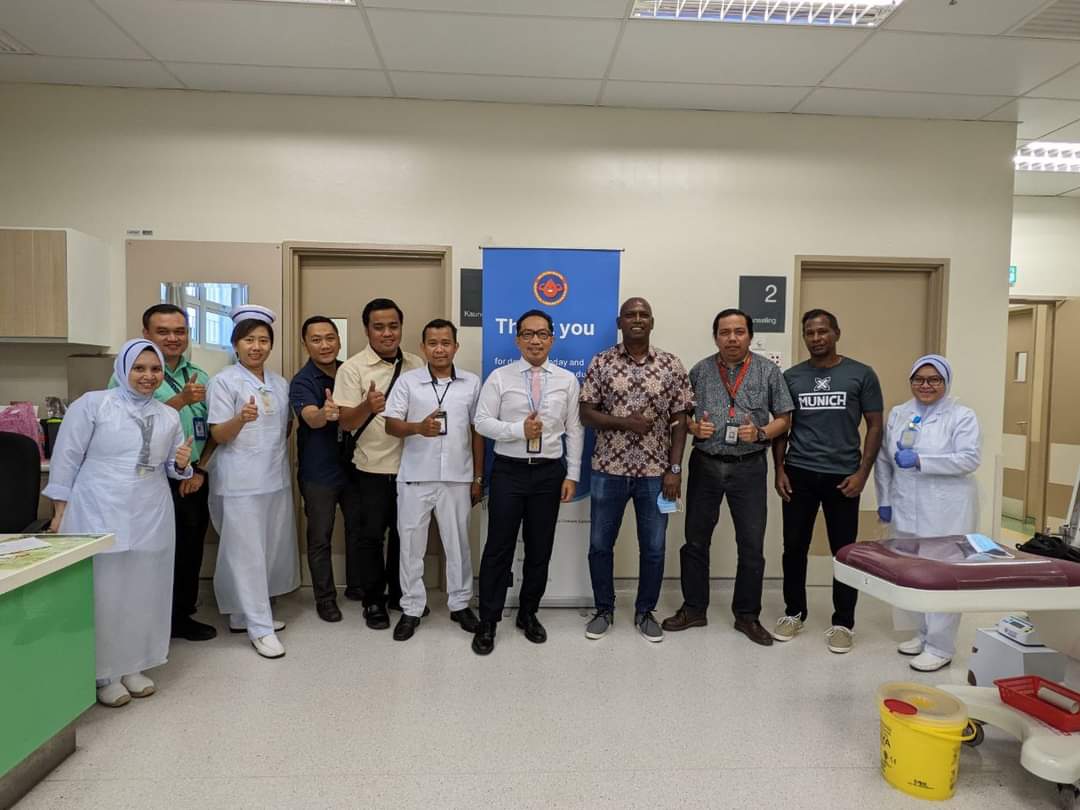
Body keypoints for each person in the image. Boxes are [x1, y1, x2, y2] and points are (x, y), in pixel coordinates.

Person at [45, 339, 194, 707]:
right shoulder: (94, 404)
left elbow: (173, 468)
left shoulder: (168, 415)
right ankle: (104, 672)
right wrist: (60, 511)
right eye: (139, 368)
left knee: (145, 587)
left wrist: (181, 464)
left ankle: (134, 664)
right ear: (124, 369)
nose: (148, 376)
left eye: (155, 369)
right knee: (105, 590)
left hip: (151, 508)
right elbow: (66, 458)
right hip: (99, 503)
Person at [663, 308, 793, 646]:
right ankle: (694, 608)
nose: (732, 338)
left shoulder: (767, 371)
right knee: (695, 541)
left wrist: (761, 433)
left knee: (751, 545)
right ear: (715, 337)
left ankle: (747, 615)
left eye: (739, 332)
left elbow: (785, 418)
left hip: (749, 467)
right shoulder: (699, 371)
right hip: (706, 464)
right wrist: (694, 427)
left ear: (749, 335)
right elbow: (681, 416)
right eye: (724, 332)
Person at [471, 309, 584, 655]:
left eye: (542, 334)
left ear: (552, 338)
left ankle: (528, 613)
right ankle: (488, 620)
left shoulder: (567, 380)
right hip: (509, 471)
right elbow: (481, 422)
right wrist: (517, 430)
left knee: (539, 548)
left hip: (549, 473)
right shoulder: (500, 377)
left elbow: (574, 429)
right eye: (528, 334)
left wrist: (572, 474)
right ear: (517, 339)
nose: (535, 340)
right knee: (498, 548)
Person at [581, 297, 693, 643]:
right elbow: (586, 413)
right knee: (600, 545)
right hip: (608, 470)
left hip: (656, 474)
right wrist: (624, 423)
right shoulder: (602, 362)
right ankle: (604, 609)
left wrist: (675, 468)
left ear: (652, 322)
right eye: (630, 314)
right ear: (620, 322)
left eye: (644, 314)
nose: (638, 319)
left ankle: (645, 611)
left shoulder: (671, 364)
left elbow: (681, 420)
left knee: (654, 548)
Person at [771, 309, 883, 654]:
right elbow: (782, 426)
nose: (816, 338)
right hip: (799, 473)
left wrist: (862, 473)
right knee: (794, 547)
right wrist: (779, 469)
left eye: (822, 331)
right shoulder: (792, 377)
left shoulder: (861, 374)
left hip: (843, 477)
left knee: (844, 552)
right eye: (810, 333)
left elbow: (875, 426)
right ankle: (794, 613)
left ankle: (843, 623)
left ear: (836, 333)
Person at [108, 304, 218, 642]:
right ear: (146, 334)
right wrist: (181, 400)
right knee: (148, 550)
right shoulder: (129, 374)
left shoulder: (199, 375)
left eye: (179, 331)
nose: (173, 338)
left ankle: (181, 617)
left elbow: (212, 431)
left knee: (189, 549)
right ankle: (145, 619)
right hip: (148, 479)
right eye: (163, 331)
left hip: (192, 476)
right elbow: (128, 424)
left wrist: (199, 469)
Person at [876, 354, 981, 672]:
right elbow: (884, 459)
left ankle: (941, 646)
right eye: (919, 379)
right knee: (913, 572)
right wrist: (884, 499)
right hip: (905, 505)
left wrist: (922, 461)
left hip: (945, 509)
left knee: (943, 575)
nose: (926, 385)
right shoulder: (899, 413)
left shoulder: (961, 416)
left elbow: (969, 459)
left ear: (945, 382)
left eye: (934, 379)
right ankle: (922, 634)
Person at [207, 305, 300, 659]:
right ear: (235, 344)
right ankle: (260, 628)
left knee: (268, 550)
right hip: (239, 481)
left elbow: (284, 428)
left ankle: (240, 614)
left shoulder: (279, 383)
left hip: (274, 477)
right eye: (249, 340)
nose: (256, 347)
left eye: (263, 340)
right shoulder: (224, 381)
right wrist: (241, 420)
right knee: (245, 553)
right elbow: (218, 434)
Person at [384, 319, 483, 641]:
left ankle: (460, 604)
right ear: (423, 347)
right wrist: (417, 428)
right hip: (415, 477)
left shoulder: (471, 383)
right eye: (433, 343)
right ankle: (411, 608)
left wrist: (478, 476)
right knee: (411, 546)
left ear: (456, 346)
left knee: (458, 545)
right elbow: (391, 425)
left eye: (445, 343)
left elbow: (477, 431)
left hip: (457, 477)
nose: (439, 349)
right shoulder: (408, 382)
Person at [333, 298, 424, 629]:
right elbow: (345, 422)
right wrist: (367, 406)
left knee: (405, 537)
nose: (387, 333)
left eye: (393, 326)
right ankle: (373, 600)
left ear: (401, 327)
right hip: (371, 468)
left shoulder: (416, 363)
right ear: (367, 330)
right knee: (370, 537)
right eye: (379, 327)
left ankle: (401, 595)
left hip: (412, 468)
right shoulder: (353, 368)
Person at [289, 315, 353, 623]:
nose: (324, 345)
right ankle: (325, 599)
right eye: (316, 340)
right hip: (319, 473)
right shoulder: (302, 381)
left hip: (354, 467)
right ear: (306, 345)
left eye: (330, 338)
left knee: (361, 530)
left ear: (339, 340)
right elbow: (310, 418)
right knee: (320, 536)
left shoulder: (349, 371)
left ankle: (358, 588)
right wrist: (324, 414)